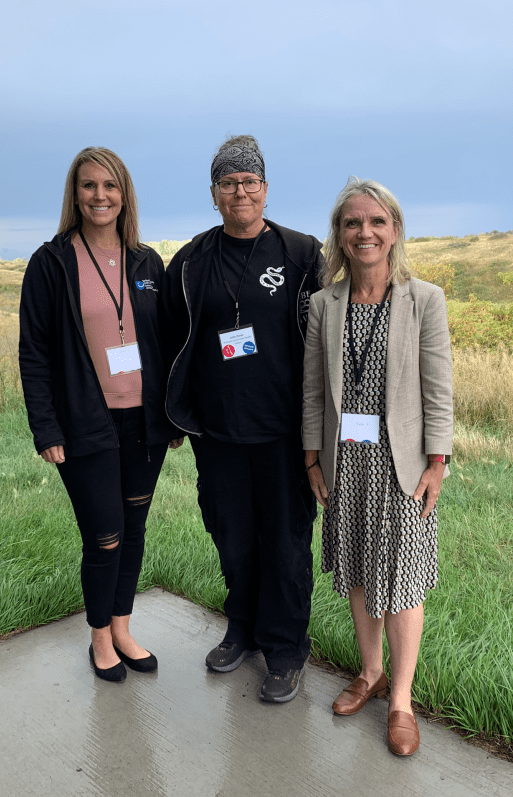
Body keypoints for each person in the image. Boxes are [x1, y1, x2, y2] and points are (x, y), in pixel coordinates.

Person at [160, 135, 323, 703]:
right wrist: (174, 415)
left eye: (249, 181)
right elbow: (168, 341)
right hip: (218, 430)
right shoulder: (191, 261)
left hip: (283, 433)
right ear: (213, 194)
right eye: (228, 183)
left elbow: (328, 337)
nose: (240, 192)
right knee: (232, 538)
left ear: (265, 189)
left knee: (285, 543)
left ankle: (284, 650)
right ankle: (243, 629)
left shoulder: (302, 254)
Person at [302, 178, 453, 755]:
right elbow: (314, 391)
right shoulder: (324, 304)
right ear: (338, 236)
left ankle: (401, 701)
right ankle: (370, 673)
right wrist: (312, 457)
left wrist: (438, 461)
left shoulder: (424, 299)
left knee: (406, 580)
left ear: (395, 231)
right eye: (351, 223)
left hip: (403, 464)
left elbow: (439, 389)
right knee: (361, 572)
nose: (364, 232)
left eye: (376, 222)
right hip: (346, 463)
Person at [19, 147, 179, 683]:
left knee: (133, 529)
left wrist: (172, 417)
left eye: (109, 186)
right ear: (75, 194)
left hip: (143, 422)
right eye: (89, 186)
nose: (100, 196)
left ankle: (123, 626)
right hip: (86, 421)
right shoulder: (51, 263)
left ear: (124, 194)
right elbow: (35, 352)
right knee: (104, 534)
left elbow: (166, 343)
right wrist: (45, 427)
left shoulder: (146, 262)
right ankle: (98, 638)